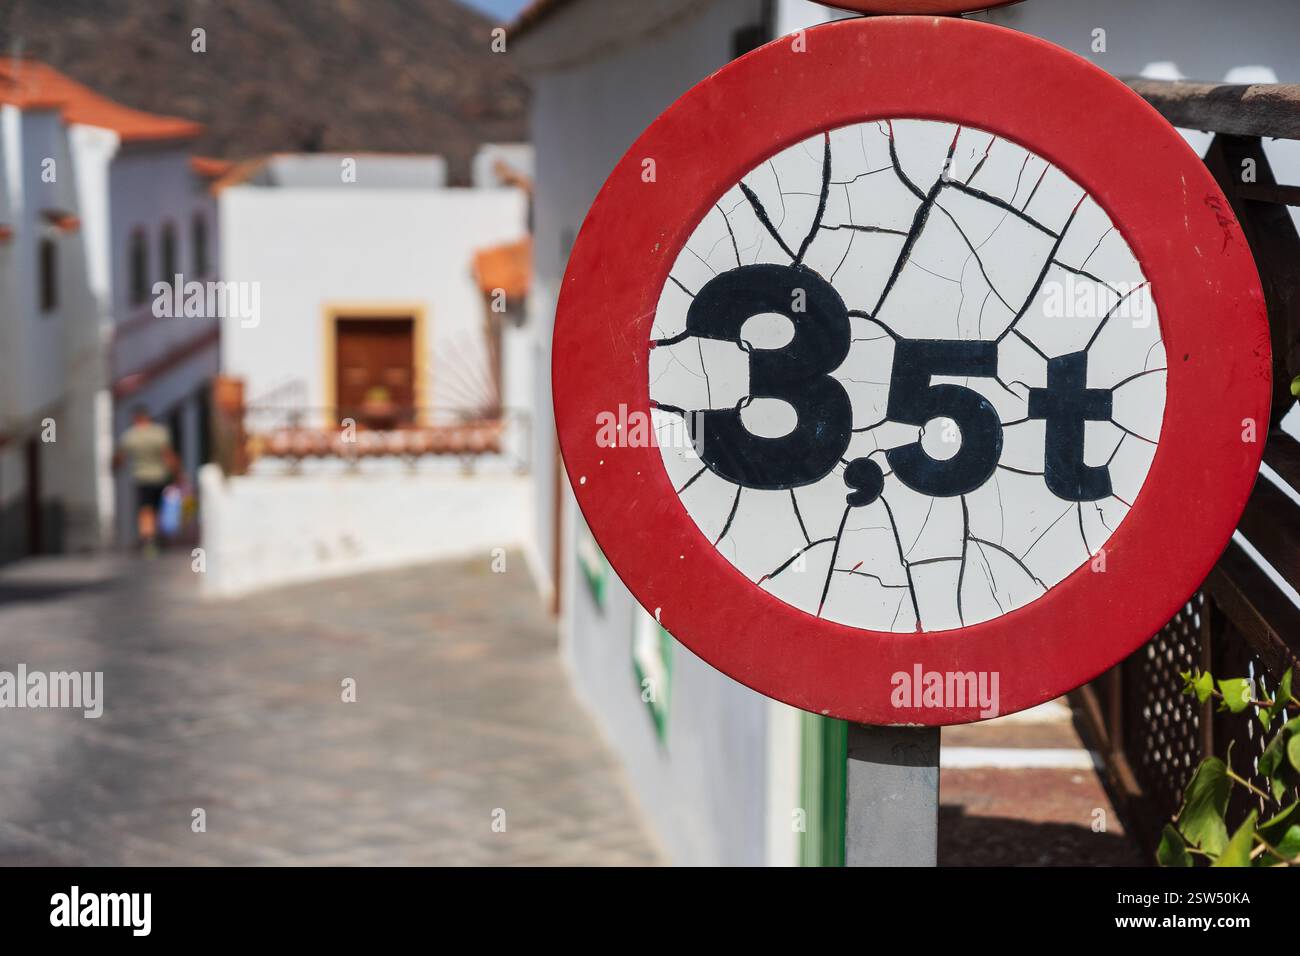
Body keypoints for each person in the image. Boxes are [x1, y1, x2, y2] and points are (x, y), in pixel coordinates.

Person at [113, 406, 180, 557]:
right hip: (160, 476)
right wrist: (178, 474)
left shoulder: (130, 436)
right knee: (158, 508)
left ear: (135, 419)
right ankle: (158, 537)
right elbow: (168, 456)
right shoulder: (159, 433)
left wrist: (114, 467)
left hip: (141, 478)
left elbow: (119, 457)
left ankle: (149, 540)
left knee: (145, 509)